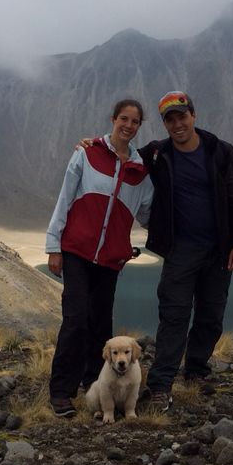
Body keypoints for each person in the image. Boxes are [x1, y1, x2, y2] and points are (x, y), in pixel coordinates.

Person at [138, 91, 233, 411]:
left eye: (182, 116)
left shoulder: (221, 152)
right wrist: (94, 144)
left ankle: (196, 370)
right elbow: (121, 155)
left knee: (211, 316)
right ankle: (161, 385)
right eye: (170, 120)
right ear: (165, 124)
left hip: (218, 250)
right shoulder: (157, 154)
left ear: (193, 116)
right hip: (180, 251)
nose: (177, 124)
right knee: (173, 315)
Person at [45, 99, 154, 418]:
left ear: (139, 126)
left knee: (100, 324)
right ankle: (61, 391)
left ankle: (95, 384)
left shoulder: (141, 172)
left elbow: (147, 214)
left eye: (135, 121)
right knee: (76, 319)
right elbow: (65, 198)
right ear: (113, 119)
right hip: (77, 251)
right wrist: (54, 245)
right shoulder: (87, 153)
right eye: (124, 119)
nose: (128, 126)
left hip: (110, 259)